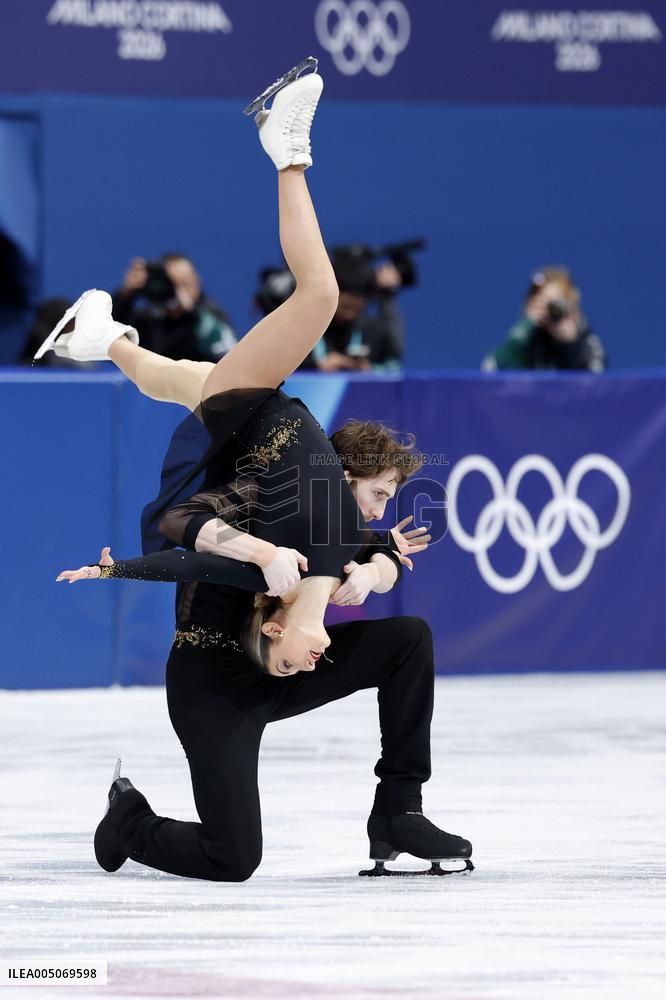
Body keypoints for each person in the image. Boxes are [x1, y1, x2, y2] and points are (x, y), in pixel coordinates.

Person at [44, 60, 472, 881]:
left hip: (242, 507)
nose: (324, 652)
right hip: (215, 673)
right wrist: (359, 564)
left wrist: (337, 565)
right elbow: (351, 547)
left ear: (278, 626)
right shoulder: (322, 521)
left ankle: (399, 810)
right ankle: (285, 148)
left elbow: (189, 542)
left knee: (407, 637)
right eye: (375, 492)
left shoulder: (295, 541)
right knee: (310, 300)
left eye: (380, 499)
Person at [113, 252, 237, 363]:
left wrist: (192, 315)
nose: (178, 292)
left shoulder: (209, 313)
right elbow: (109, 342)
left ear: (198, 281)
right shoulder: (150, 316)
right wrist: (125, 296)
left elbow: (228, 351)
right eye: (173, 285)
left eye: (184, 284)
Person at [299, 246, 405, 372]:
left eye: (358, 309)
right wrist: (316, 367)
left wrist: (369, 370)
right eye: (345, 307)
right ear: (332, 296)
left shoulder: (370, 328)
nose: (350, 314)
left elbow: (393, 368)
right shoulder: (301, 328)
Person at [483, 267, 607, 372]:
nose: (547, 311)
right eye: (540, 303)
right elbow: (492, 368)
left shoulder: (584, 336)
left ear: (570, 304)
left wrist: (570, 344)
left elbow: (594, 384)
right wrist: (525, 326)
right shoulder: (529, 337)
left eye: (553, 305)